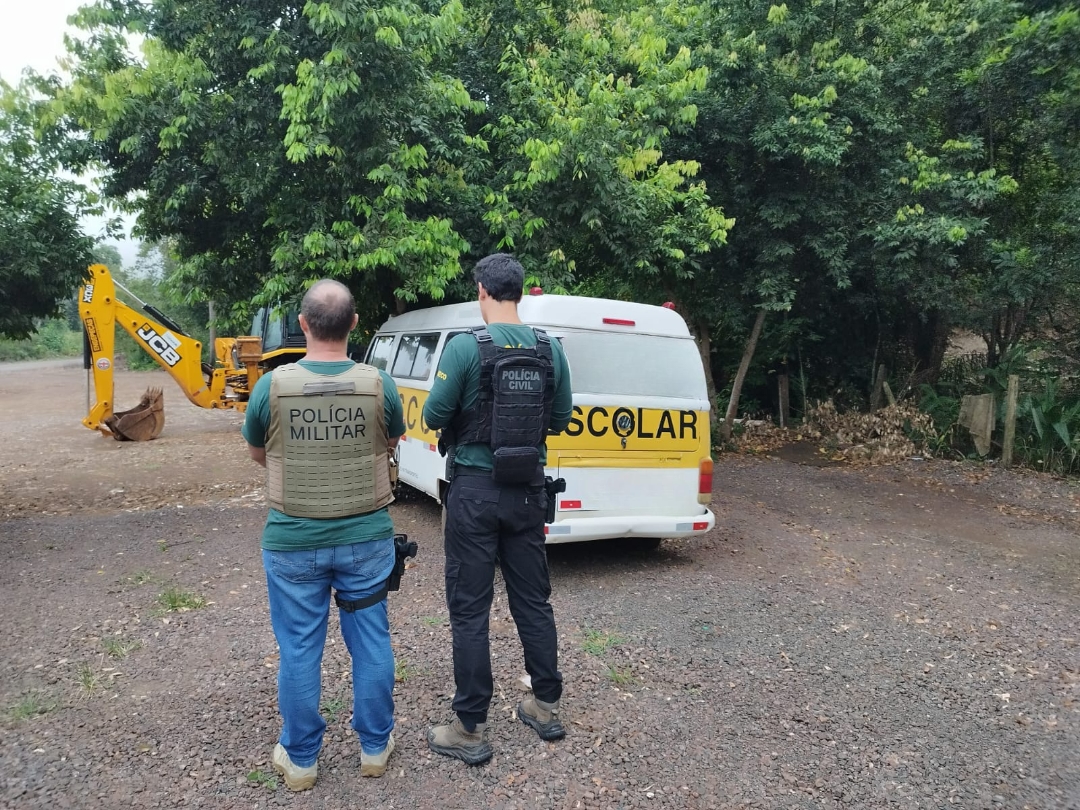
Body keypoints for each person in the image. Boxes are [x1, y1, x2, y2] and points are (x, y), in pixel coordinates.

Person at [242, 279, 405, 790]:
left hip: (293, 542)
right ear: (354, 324)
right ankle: (375, 747)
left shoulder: (271, 384)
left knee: (298, 649)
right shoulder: (380, 383)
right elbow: (392, 440)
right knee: (372, 642)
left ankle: (302, 759)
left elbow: (257, 452)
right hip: (366, 538)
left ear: (304, 325)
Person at [423, 253, 574, 765]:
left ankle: (469, 727)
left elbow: (434, 413)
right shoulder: (551, 349)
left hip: (474, 492)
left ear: (483, 291)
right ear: (521, 293)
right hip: (529, 491)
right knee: (534, 600)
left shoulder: (466, 347)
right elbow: (559, 419)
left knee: (470, 609)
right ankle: (545, 707)